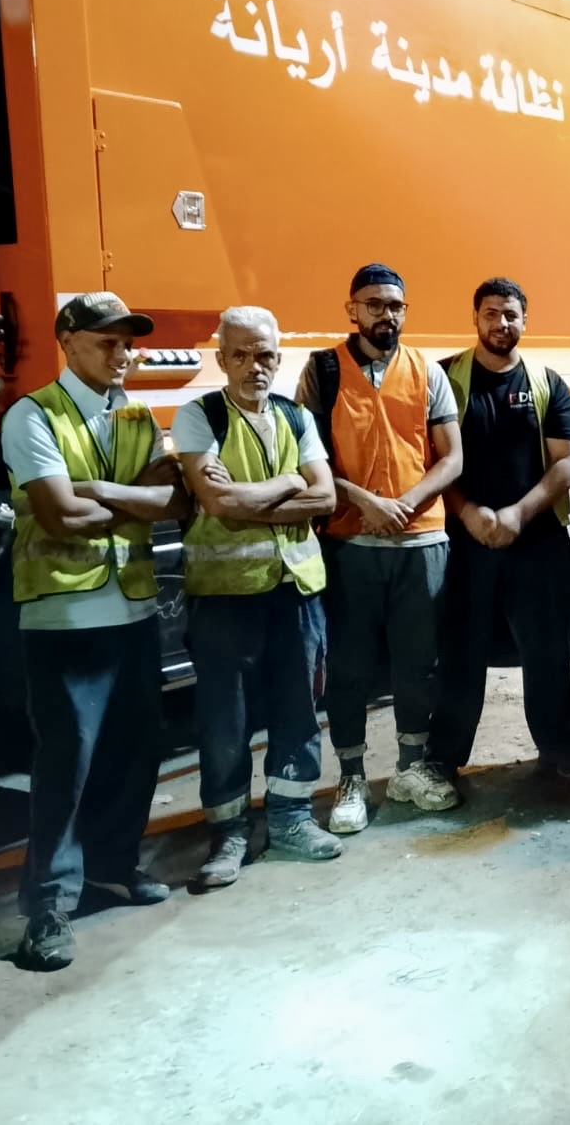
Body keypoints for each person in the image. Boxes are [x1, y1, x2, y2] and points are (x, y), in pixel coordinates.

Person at [2, 293, 191, 970]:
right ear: (68, 341)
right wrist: (135, 495)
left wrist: (102, 491)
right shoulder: (32, 415)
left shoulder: (134, 415)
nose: (124, 354)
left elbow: (175, 501)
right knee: (66, 764)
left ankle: (112, 866)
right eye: (108, 342)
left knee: (134, 752)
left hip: (134, 609)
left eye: (128, 343)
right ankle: (48, 906)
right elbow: (59, 516)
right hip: (65, 615)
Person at [174, 307, 341, 887]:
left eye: (265, 354)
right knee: (226, 721)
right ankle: (229, 834)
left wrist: (258, 497)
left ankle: (292, 819)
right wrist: (291, 482)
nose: (254, 366)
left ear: (278, 358)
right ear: (221, 359)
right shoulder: (200, 416)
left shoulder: (296, 416)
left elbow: (326, 499)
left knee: (299, 710)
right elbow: (220, 504)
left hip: (296, 590)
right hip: (225, 596)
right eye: (240, 355)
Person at [296, 263, 464, 833]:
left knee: (418, 664)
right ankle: (351, 778)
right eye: (373, 304)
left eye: (395, 305)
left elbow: (451, 457)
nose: (385, 314)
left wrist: (405, 503)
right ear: (352, 310)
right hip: (351, 541)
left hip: (421, 539)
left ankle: (411, 768)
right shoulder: (323, 371)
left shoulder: (427, 371)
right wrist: (365, 501)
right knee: (350, 666)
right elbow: (310, 458)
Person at [426, 277, 570, 780]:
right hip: (465, 541)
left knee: (548, 652)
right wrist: (466, 512)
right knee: (461, 652)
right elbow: (430, 459)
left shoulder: (547, 382)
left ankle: (560, 749)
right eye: (491, 313)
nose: (501, 323)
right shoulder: (445, 379)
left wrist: (519, 513)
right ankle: (444, 758)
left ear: (525, 320)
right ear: (475, 318)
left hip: (537, 541)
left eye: (511, 314)